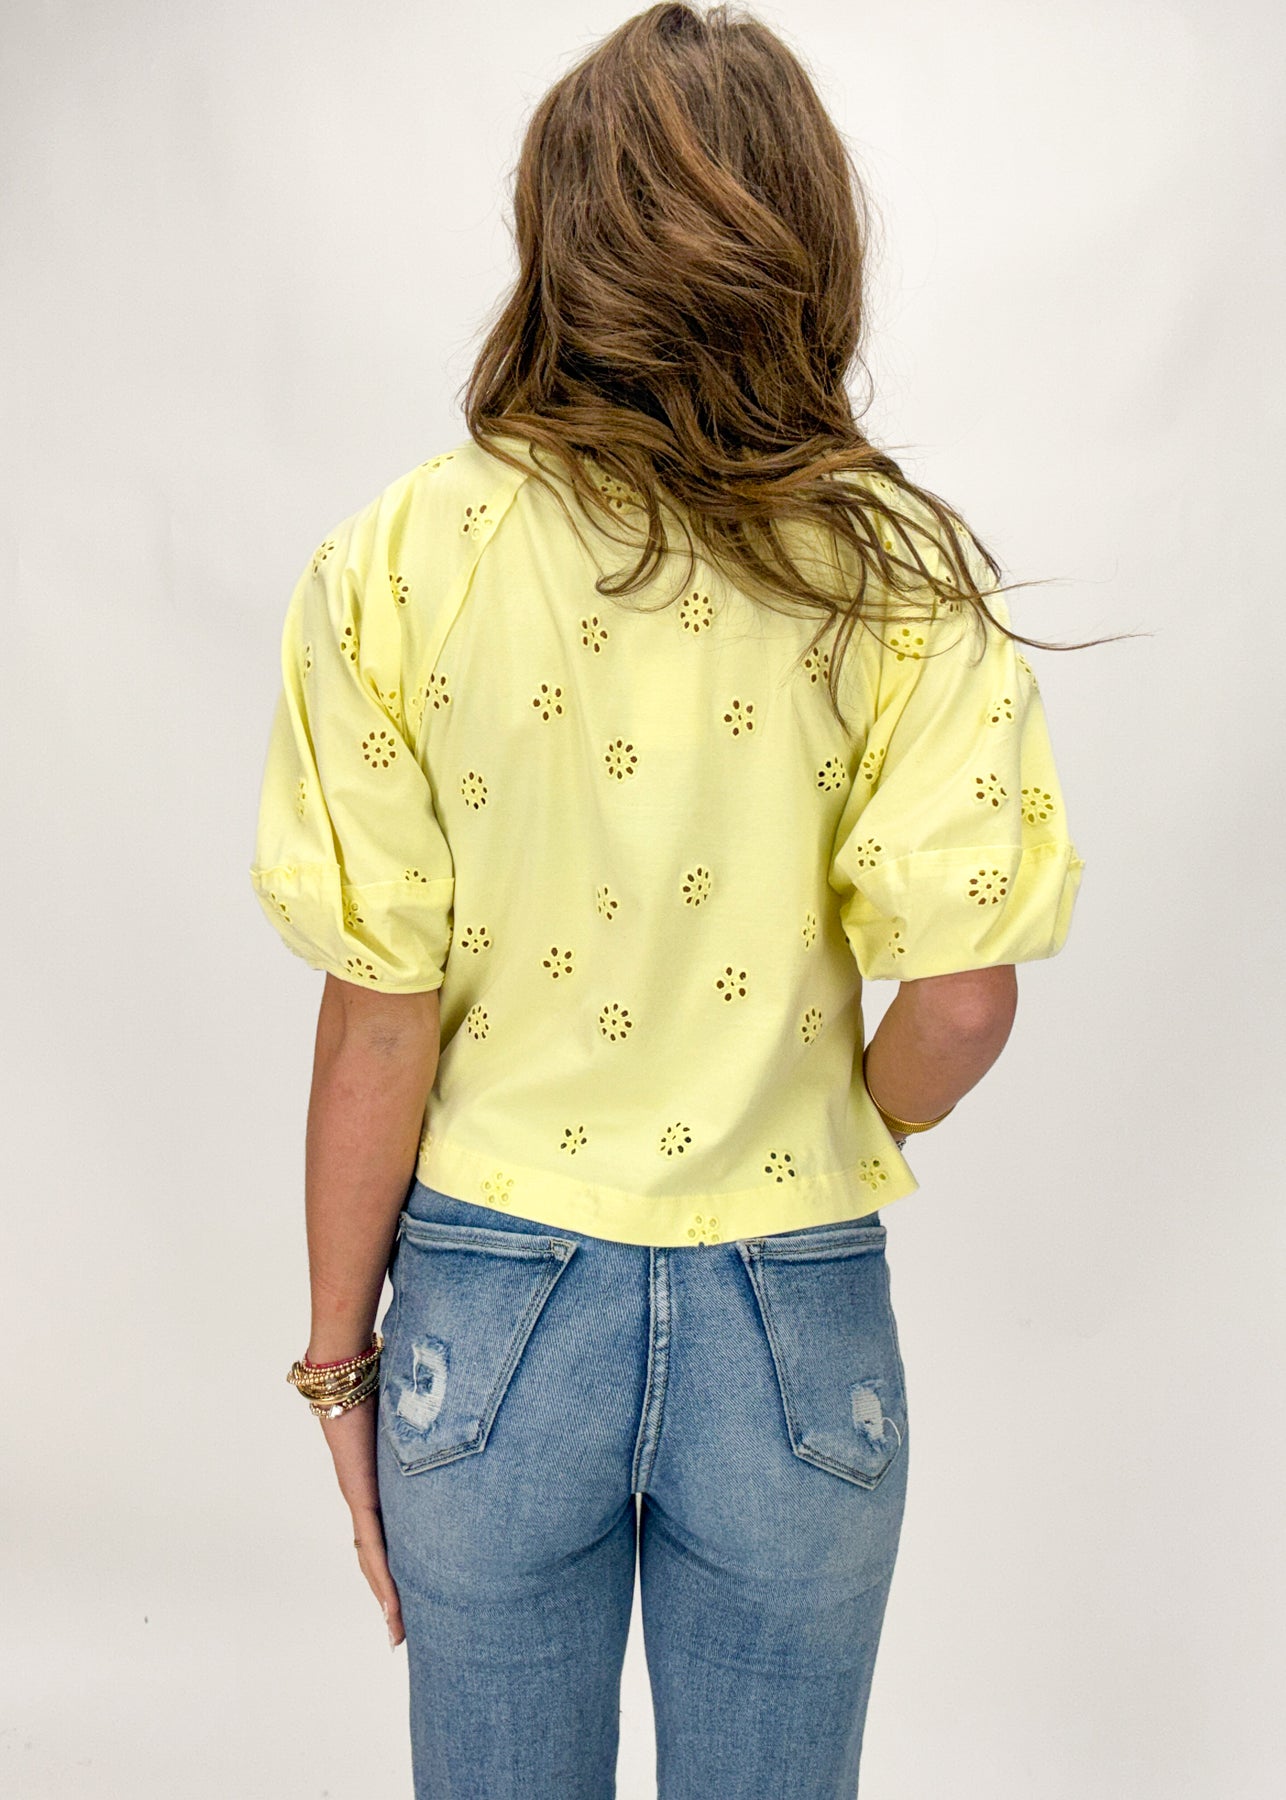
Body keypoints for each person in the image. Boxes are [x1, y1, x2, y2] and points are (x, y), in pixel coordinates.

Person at [251, 5, 1101, 1794]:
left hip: (490, 1297)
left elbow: (374, 1022)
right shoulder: (896, 569)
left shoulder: (399, 556)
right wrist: (836, 1121)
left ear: (555, 235)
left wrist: (338, 1367)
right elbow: (961, 1004)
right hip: (793, 1306)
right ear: (810, 240)